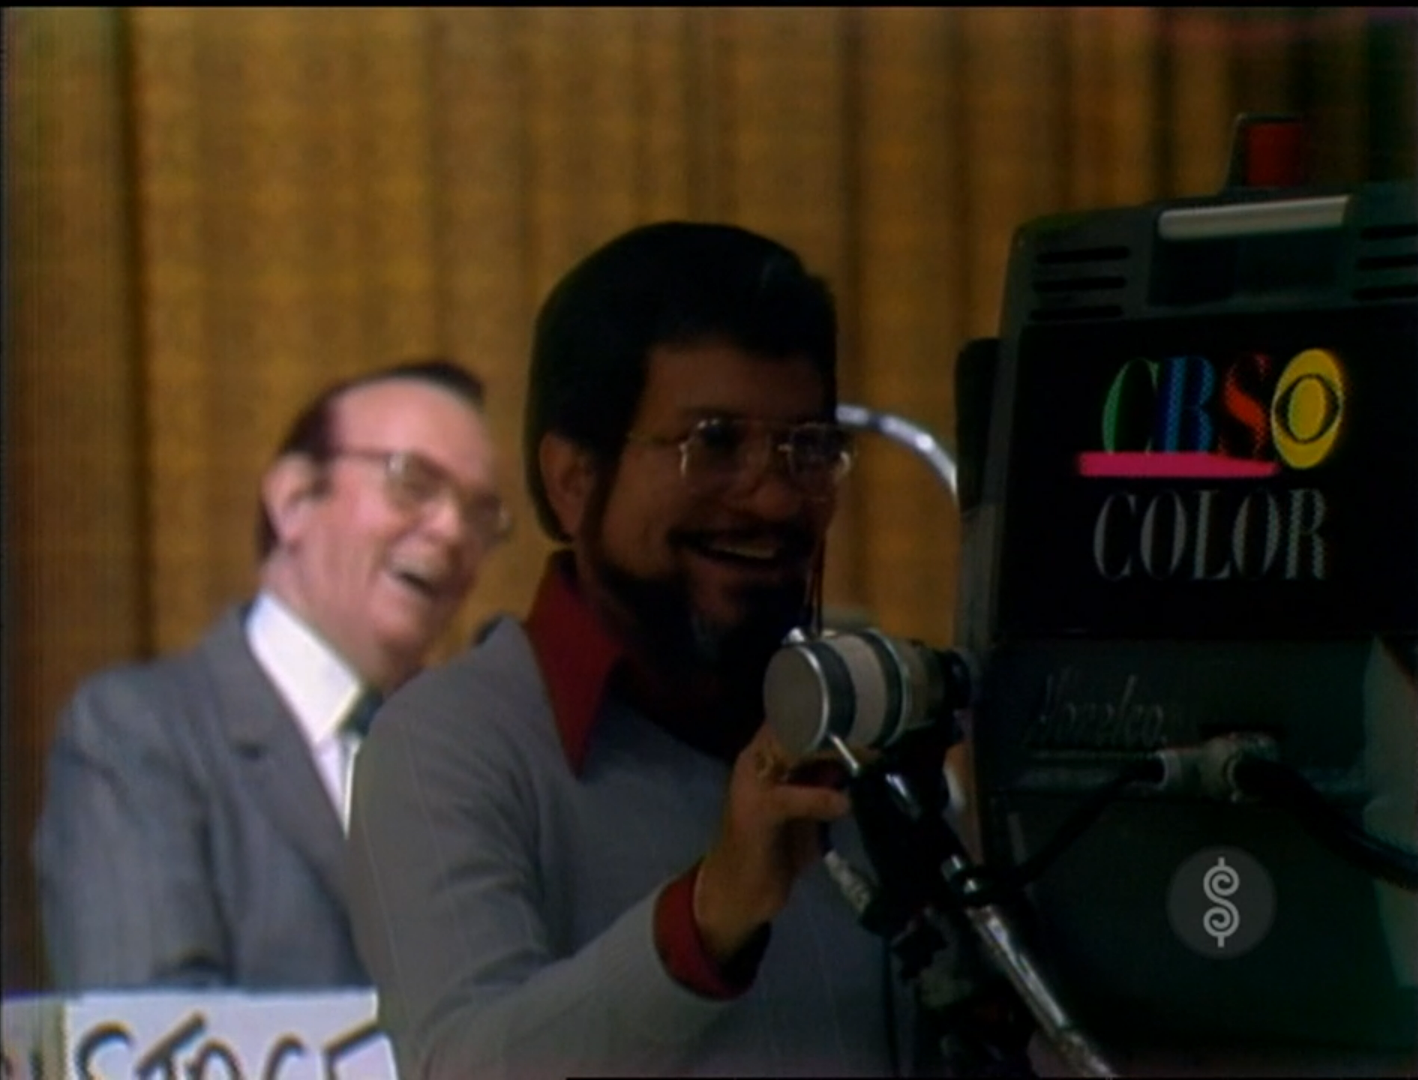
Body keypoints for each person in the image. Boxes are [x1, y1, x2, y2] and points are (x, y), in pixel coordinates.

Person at [346, 223, 913, 1079]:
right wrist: (710, 915)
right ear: (574, 478)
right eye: (715, 444)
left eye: (807, 450)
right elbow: (463, 1065)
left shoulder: (858, 729)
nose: (770, 498)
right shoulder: (446, 746)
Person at [33, 357, 511, 991]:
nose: (452, 531)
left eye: (480, 514)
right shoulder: (140, 733)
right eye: (412, 482)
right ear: (292, 499)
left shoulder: (474, 757)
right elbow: (152, 1034)